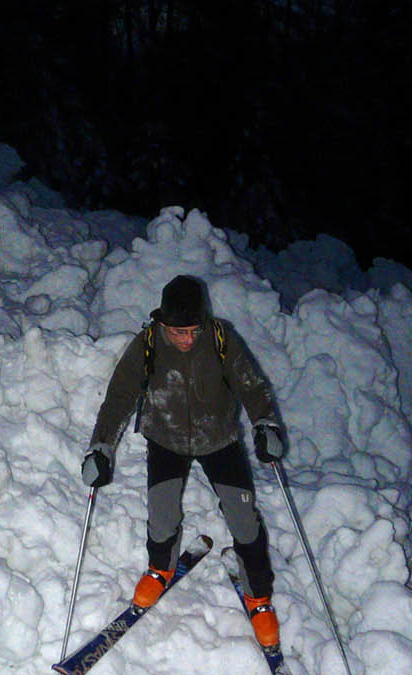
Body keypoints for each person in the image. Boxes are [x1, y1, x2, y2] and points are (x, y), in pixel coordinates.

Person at [82, 273, 287, 646]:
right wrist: (101, 446)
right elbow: (118, 398)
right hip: (166, 439)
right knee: (162, 515)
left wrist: (265, 424)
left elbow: (252, 385)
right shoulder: (147, 344)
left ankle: (258, 598)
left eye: (194, 330)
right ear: (162, 323)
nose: (187, 339)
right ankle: (160, 568)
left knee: (243, 518)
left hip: (219, 439)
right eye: (179, 332)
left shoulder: (221, 339)